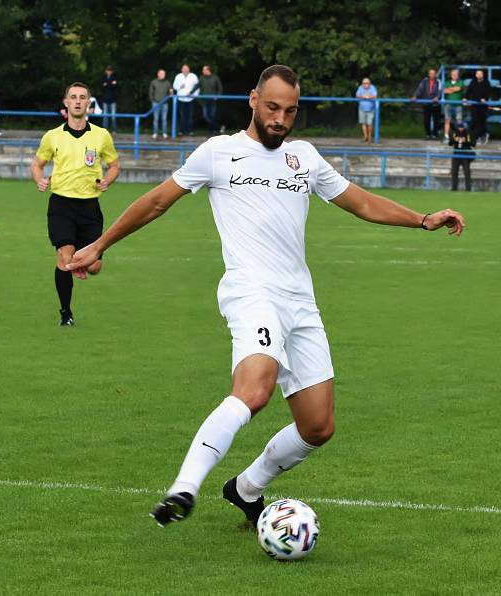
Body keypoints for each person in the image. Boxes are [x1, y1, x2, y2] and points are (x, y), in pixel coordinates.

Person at [66, 64, 465, 529]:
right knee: (254, 390)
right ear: (253, 99)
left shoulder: (304, 158)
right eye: (272, 107)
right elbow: (157, 201)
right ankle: (184, 486)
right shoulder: (219, 152)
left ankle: (245, 488)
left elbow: (359, 200)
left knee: (318, 426)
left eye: (290, 111)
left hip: (301, 299)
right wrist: (99, 244)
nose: (280, 118)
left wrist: (422, 219)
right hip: (250, 290)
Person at [31, 82, 121, 326]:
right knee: (65, 257)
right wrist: (40, 180)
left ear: (89, 103)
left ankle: (80, 264)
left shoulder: (102, 135)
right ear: (66, 103)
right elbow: (37, 165)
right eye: (73, 97)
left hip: (90, 207)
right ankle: (65, 313)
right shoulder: (53, 136)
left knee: (94, 267)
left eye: (83, 97)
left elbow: (114, 166)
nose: (78, 101)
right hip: (60, 205)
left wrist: (107, 181)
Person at [411, 68, 442, 140]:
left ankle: (435, 135)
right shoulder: (424, 81)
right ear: (428, 74)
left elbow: (440, 90)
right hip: (426, 103)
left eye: (433, 73)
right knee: (426, 120)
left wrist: (437, 97)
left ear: (435, 74)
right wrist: (415, 96)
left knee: (436, 120)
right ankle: (428, 134)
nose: (432, 75)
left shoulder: (438, 81)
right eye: (431, 73)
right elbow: (419, 89)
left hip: (436, 104)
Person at [464, 69, 492, 145]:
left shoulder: (486, 83)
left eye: (480, 74)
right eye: (477, 73)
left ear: (482, 75)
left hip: (483, 106)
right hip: (474, 105)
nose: (479, 75)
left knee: (481, 121)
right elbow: (468, 91)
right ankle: (480, 136)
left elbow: (488, 92)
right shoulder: (473, 82)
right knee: (474, 121)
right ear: (476, 75)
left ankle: (482, 135)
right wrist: (465, 98)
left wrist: (484, 98)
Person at [173, 64, 199, 136]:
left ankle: (190, 131)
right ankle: (181, 131)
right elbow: (174, 86)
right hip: (181, 98)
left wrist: (195, 95)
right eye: (184, 68)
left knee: (190, 116)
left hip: (191, 99)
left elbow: (197, 86)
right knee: (182, 115)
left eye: (186, 68)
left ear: (189, 69)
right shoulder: (178, 76)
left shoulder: (193, 76)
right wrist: (180, 86)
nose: (185, 70)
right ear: (181, 70)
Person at [449, 121, 475, 191]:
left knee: (467, 172)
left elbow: (472, 143)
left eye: (462, 127)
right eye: (459, 127)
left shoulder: (467, 133)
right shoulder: (455, 133)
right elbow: (450, 143)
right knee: (454, 172)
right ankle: (454, 188)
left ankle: (468, 188)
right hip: (456, 155)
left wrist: (464, 140)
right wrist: (455, 139)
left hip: (465, 155)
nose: (460, 129)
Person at [199, 65, 224, 135]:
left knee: (212, 116)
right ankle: (219, 128)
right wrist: (190, 93)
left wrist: (217, 96)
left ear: (208, 70)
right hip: (204, 101)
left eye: (204, 70)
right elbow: (197, 86)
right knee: (205, 116)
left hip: (213, 101)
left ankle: (211, 132)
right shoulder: (201, 78)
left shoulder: (215, 78)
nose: (202, 71)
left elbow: (220, 88)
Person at [442, 68, 465, 142]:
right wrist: (452, 89)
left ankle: (460, 137)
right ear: (451, 75)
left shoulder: (461, 82)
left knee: (459, 121)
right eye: (453, 74)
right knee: (447, 120)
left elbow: (458, 88)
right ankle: (446, 136)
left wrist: (450, 89)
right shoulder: (447, 82)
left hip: (458, 105)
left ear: (458, 75)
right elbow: (444, 91)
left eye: (456, 74)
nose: (454, 76)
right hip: (448, 105)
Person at [150, 69, 172, 139]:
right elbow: (151, 92)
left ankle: (164, 133)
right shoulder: (154, 82)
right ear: (158, 74)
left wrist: (171, 94)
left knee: (164, 119)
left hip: (165, 103)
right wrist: (153, 101)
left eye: (164, 74)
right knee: (155, 119)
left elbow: (171, 92)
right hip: (156, 103)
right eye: (161, 74)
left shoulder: (167, 82)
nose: (163, 75)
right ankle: (155, 133)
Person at [355, 77, 377, 143]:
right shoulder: (360, 87)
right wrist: (364, 96)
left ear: (369, 83)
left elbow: (374, 96)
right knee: (363, 123)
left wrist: (368, 97)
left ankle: (370, 137)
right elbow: (357, 95)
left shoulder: (373, 87)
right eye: (364, 83)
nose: (365, 84)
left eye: (367, 83)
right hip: (362, 108)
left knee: (369, 123)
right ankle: (365, 136)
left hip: (371, 108)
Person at [100, 65, 118, 132]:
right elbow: (101, 87)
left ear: (112, 71)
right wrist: (110, 84)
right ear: (106, 71)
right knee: (105, 116)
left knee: (113, 116)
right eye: (108, 70)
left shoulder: (115, 77)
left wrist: (106, 84)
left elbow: (115, 87)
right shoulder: (103, 78)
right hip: (105, 99)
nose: (109, 72)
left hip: (113, 99)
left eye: (110, 70)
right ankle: (105, 130)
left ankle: (114, 130)